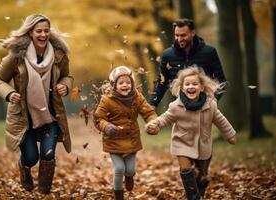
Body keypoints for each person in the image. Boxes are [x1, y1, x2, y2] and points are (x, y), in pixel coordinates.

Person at [0, 14, 73, 194]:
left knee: (48, 155)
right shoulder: (15, 56)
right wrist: (9, 92)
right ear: (30, 32)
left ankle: (44, 192)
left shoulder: (59, 55)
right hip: (24, 116)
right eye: (39, 31)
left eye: (46, 31)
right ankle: (24, 165)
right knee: (31, 158)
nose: (43, 35)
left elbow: (67, 76)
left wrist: (65, 86)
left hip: (50, 115)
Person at [145, 66, 236, 199]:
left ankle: (201, 189)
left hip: (203, 144)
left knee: (201, 175)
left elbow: (221, 120)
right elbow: (165, 118)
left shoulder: (210, 105)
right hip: (182, 142)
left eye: (194, 84)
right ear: (182, 88)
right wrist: (156, 125)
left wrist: (230, 134)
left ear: (202, 87)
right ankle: (193, 197)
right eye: (187, 84)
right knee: (185, 169)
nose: (191, 86)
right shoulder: (176, 106)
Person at [93, 66, 157, 200]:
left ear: (132, 84)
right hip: (114, 140)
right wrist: (107, 126)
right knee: (119, 169)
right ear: (114, 85)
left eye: (128, 82)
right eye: (121, 83)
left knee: (130, 170)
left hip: (131, 140)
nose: (125, 85)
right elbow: (98, 118)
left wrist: (153, 123)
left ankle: (129, 176)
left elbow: (148, 112)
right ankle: (118, 196)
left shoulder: (137, 97)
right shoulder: (107, 99)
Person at [148, 18, 227, 107]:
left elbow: (221, 80)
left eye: (183, 35)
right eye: (177, 35)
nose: (179, 39)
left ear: (192, 33)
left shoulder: (209, 52)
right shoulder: (167, 55)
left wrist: (212, 101)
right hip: (179, 108)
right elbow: (161, 82)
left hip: (205, 107)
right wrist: (151, 105)